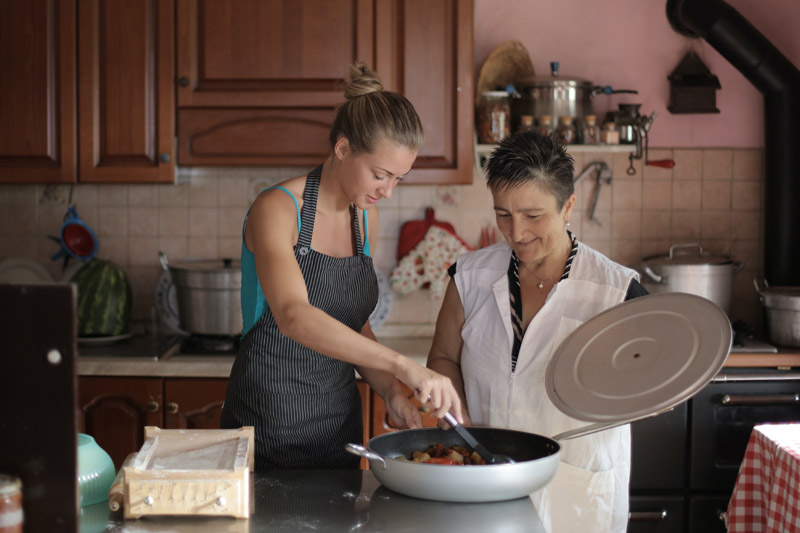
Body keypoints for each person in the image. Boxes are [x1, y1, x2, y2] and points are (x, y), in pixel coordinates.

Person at [221, 63, 463, 470]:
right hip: (267, 423)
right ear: (343, 148)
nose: (387, 191)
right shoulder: (277, 209)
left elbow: (353, 324)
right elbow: (294, 317)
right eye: (380, 175)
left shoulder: (364, 217)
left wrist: (391, 391)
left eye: (398, 179)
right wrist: (403, 365)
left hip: (338, 427)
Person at [426, 130, 647, 532]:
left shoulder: (617, 292)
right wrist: (456, 415)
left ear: (568, 207)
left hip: (577, 489)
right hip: (486, 479)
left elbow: (647, 385)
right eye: (503, 214)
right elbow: (443, 358)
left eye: (533, 215)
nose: (517, 232)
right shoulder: (469, 277)